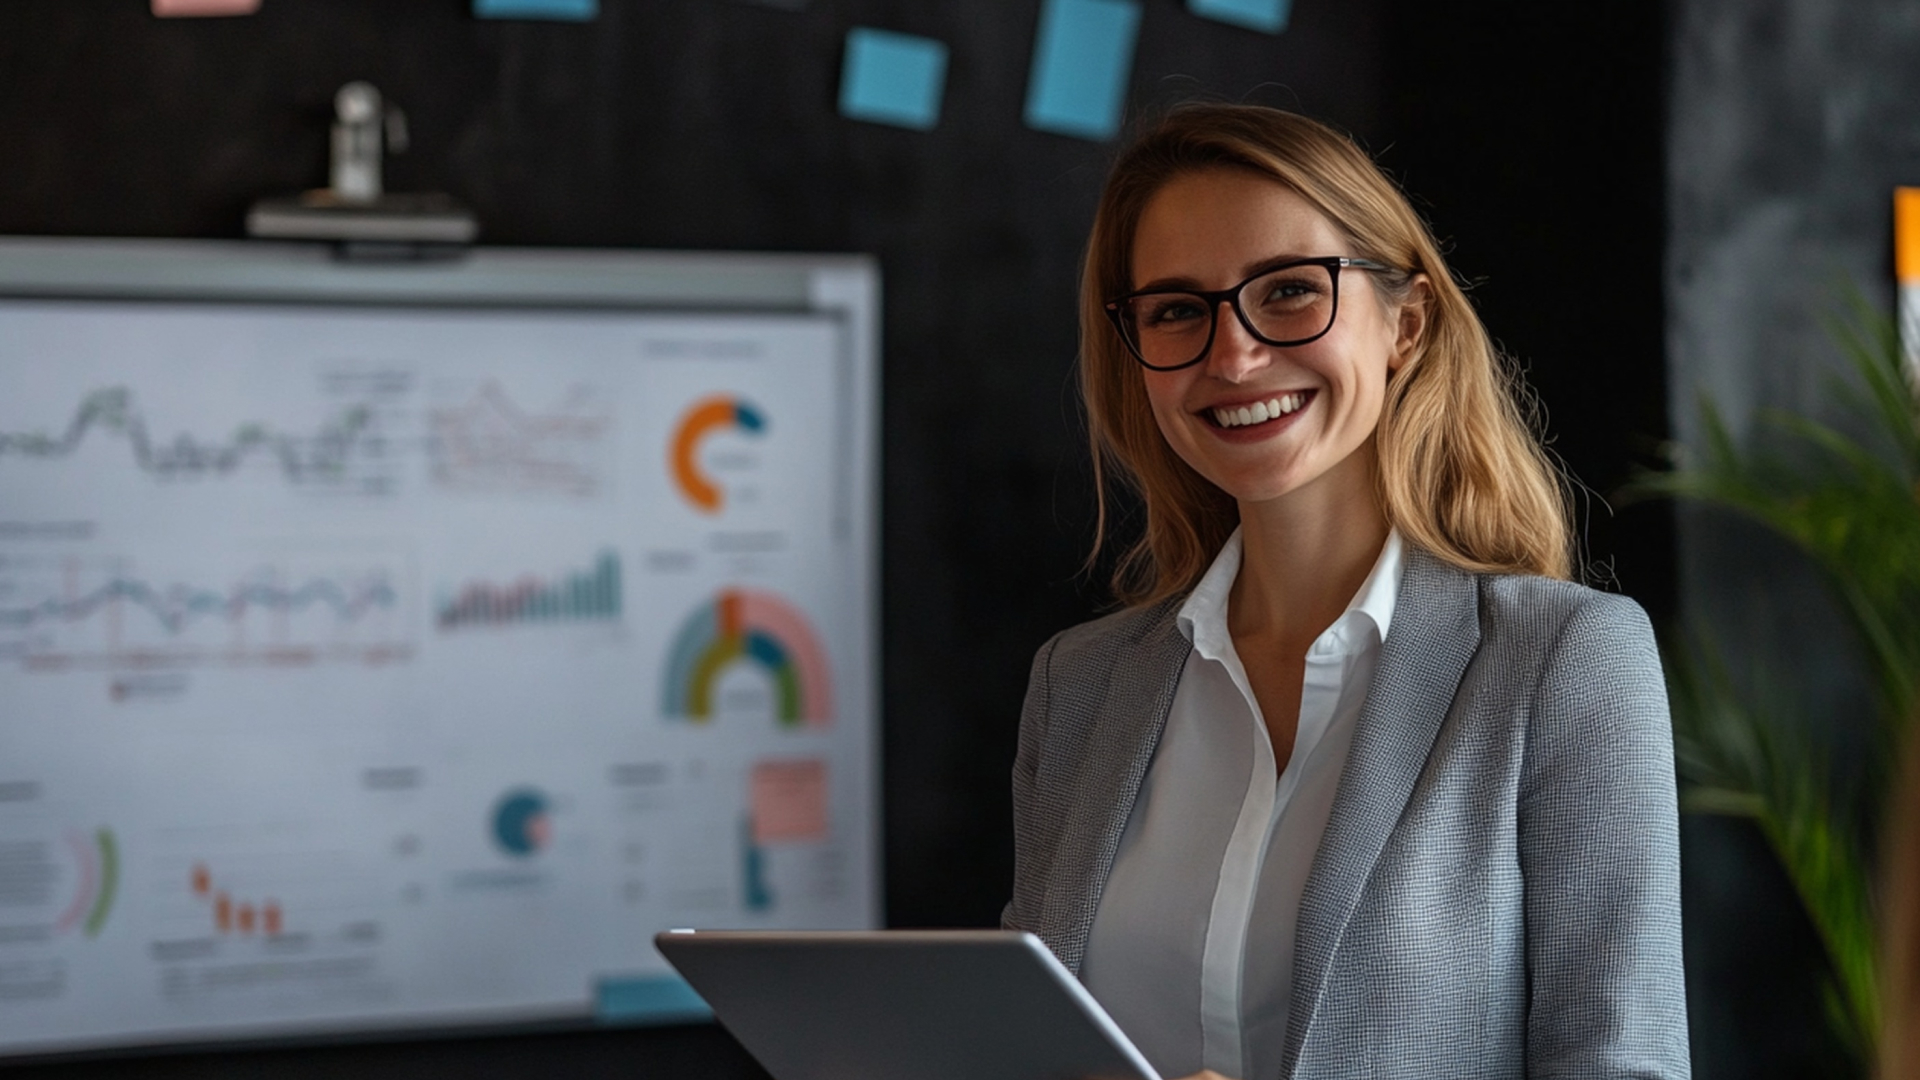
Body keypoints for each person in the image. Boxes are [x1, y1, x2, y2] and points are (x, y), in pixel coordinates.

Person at [1002, 103, 1690, 1080]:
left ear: (1404, 324)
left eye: (1288, 291)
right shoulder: (1075, 688)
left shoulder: (1564, 662)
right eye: (1176, 310)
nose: (1232, 356)